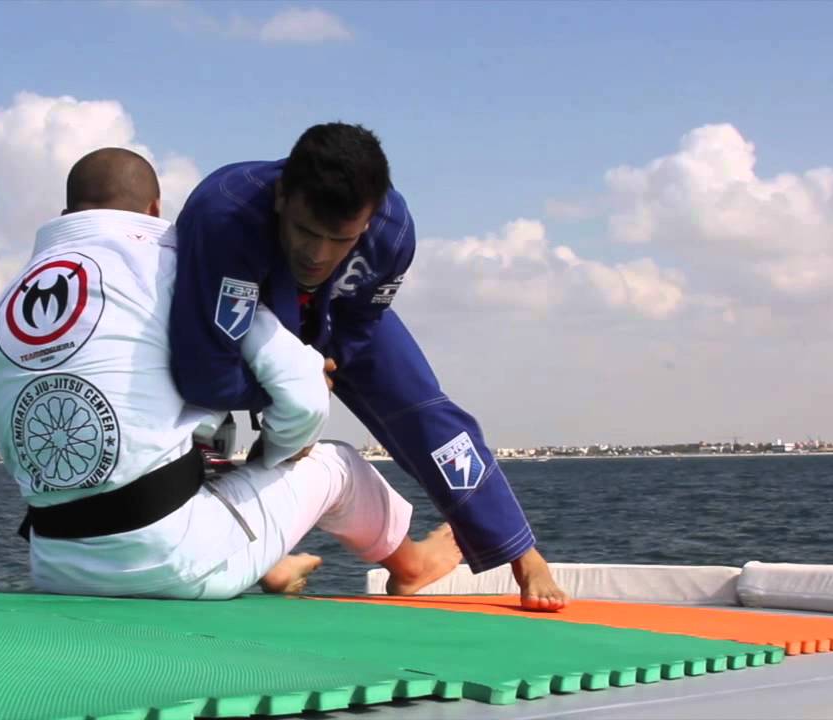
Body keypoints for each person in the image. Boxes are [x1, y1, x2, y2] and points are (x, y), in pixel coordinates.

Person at [0, 147, 461, 599]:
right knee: (337, 466)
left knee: (188, 427)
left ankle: (267, 561)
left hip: (55, 565)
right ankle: (413, 564)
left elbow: (12, 442)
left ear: (65, 215)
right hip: (172, 562)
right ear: (155, 210)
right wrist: (281, 456)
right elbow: (306, 394)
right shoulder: (179, 268)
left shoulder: (1, 308)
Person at [169, 124, 569, 610]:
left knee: (426, 412)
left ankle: (521, 554)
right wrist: (287, 387)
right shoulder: (223, 213)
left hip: (335, 312)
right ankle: (265, 552)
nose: (317, 254)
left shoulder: (393, 230)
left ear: (368, 219)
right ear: (281, 197)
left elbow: (363, 317)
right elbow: (203, 369)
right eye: (305, 231)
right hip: (248, 303)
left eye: (338, 239)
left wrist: (331, 360)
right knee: (194, 412)